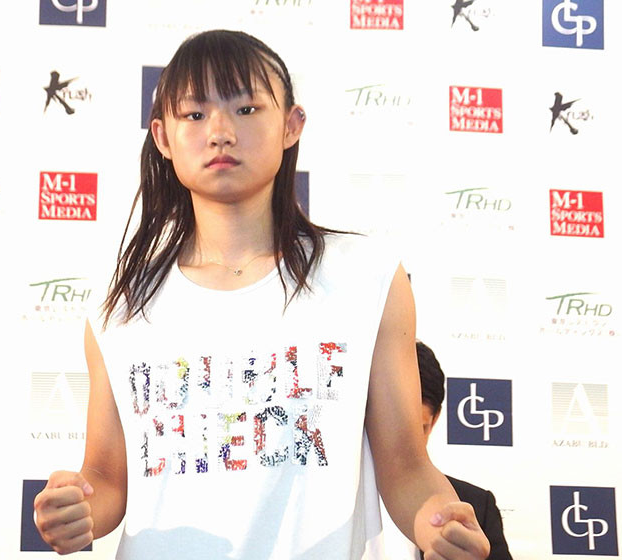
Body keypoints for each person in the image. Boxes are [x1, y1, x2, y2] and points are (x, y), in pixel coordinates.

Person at [32, 29, 490, 559]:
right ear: (163, 137)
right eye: (195, 114)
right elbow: (107, 478)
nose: (220, 132)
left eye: (246, 109)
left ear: (291, 125)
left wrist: (438, 521)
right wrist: (79, 508)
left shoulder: (367, 277)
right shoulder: (121, 306)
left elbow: (407, 467)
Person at [415, 341, 513, 560]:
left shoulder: (476, 507)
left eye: (418, 430)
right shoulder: (338, 501)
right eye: (393, 428)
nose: (405, 444)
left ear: (435, 420)